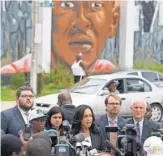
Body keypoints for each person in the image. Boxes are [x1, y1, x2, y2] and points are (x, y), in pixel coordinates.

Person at [51, 1, 120, 68]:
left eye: (96, 5)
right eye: (67, 4)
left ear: (113, 22)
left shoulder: (109, 74)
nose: (82, 22)